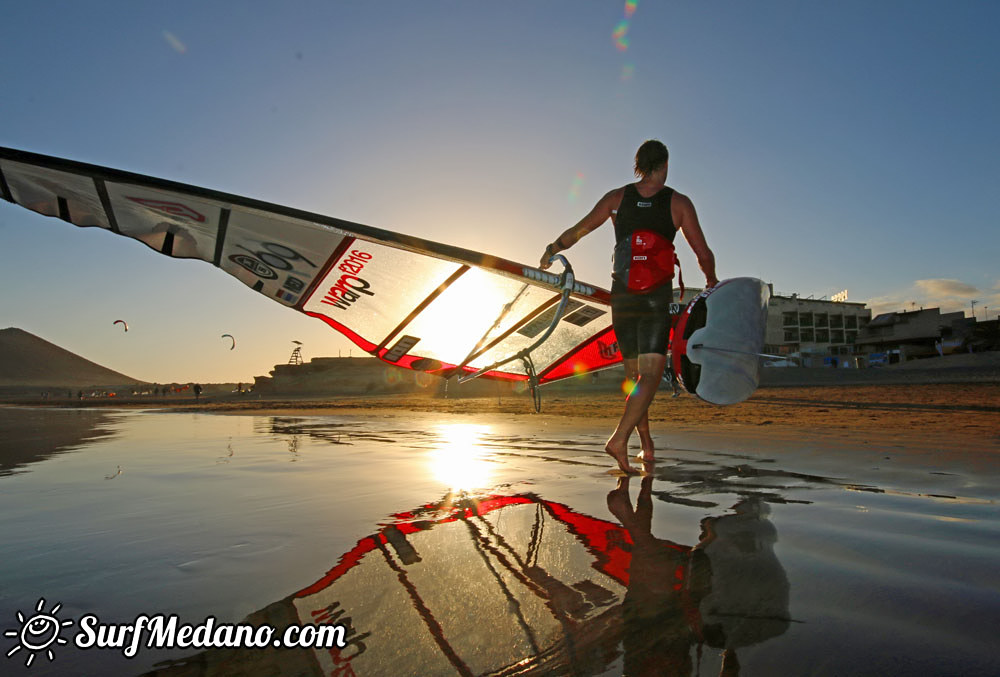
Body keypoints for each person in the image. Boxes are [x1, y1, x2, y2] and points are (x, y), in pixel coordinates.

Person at [539, 140, 718, 474]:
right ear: (664, 165)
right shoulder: (678, 203)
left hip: (621, 294)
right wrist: (711, 281)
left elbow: (580, 229)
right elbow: (702, 253)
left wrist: (552, 249)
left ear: (638, 165)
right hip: (654, 297)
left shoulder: (616, 198)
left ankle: (647, 446)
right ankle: (620, 439)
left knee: (635, 377)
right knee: (649, 376)